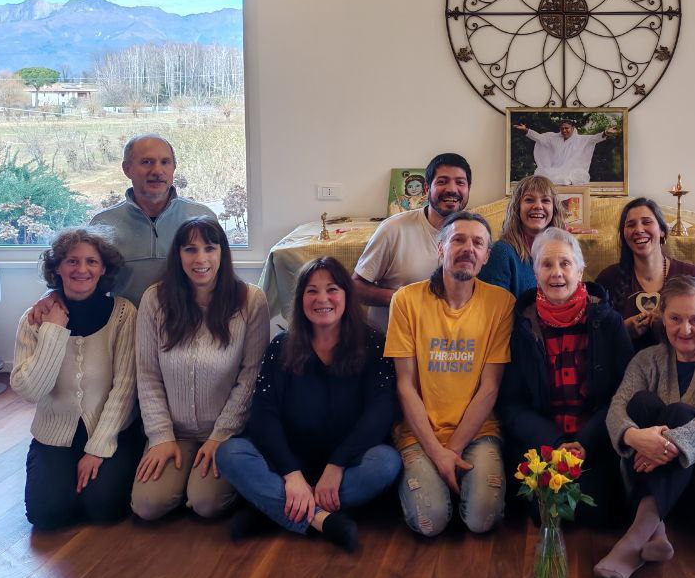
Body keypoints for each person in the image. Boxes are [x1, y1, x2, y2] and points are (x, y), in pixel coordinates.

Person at [217, 257, 401, 552]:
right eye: (312, 291)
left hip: (347, 465)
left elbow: (380, 413)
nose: (322, 299)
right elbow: (263, 415)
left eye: (332, 289)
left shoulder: (373, 343)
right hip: (289, 464)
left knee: (387, 463)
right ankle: (320, 518)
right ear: (300, 299)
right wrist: (291, 474)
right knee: (230, 453)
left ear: (347, 296)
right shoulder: (281, 347)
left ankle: (273, 510)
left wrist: (337, 464)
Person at [595, 276, 695, 578]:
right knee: (640, 403)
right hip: (670, 490)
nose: (685, 329)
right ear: (662, 318)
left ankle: (633, 540)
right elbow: (617, 408)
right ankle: (654, 529)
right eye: (675, 319)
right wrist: (634, 437)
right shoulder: (647, 359)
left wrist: (664, 444)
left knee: (679, 412)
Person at [384, 210, 515, 536]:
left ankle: (457, 483)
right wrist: (436, 451)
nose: (468, 248)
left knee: (482, 520)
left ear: (486, 256)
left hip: (478, 432)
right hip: (419, 433)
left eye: (478, 243)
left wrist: (452, 451)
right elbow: (405, 386)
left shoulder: (501, 303)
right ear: (440, 248)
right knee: (429, 522)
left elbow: (490, 388)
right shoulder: (406, 300)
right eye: (458, 240)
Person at [130, 216, 269, 521]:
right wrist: (161, 436)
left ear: (222, 253)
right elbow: (148, 374)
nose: (200, 259)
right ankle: (183, 478)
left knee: (206, 503)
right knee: (148, 505)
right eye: (190, 249)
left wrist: (221, 435)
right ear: (178, 255)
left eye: (210, 248)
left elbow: (251, 376)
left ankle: (204, 483)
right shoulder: (155, 299)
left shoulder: (250, 300)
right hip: (174, 432)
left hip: (226, 433)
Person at [497, 228, 634, 523]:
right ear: (535, 272)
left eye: (565, 263)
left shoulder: (609, 322)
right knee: (546, 510)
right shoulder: (521, 327)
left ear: (580, 270)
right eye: (546, 265)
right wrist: (555, 441)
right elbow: (510, 404)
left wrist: (585, 440)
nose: (556, 273)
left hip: (595, 440)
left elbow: (624, 393)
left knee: (596, 509)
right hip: (543, 442)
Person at [11, 228, 144, 529]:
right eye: (72, 261)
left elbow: (125, 388)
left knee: (104, 508)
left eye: (91, 262)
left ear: (103, 268)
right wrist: (54, 331)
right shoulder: (34, 320)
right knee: (47, 516)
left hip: (111, 431)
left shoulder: (124, 314)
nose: (82, 269)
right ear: (57, 267)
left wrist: (97, 449)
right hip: (55, 435)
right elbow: (31, 391)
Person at [90, 135, 216, 306]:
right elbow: (85, 282)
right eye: (147, 162)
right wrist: (56, 297)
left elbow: (221, 278)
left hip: (189, 321)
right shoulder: (103, 224)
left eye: (165, 162)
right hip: (127, 321)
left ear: (173, 168)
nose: (157, 171)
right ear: (127, 169)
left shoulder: (202, 217)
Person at [353, 152, 472, 333]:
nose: (451, 189)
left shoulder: (474, 235)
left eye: (460, 182)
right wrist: (403, 298)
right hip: (390, 341)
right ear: (427, 188)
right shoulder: (393, 229)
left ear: (468, 189)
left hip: (444, 344)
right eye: (442, 181)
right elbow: (355, 288)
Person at [595, 198, 695, 351]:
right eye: (631, 225)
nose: (639, 229)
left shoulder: (690, 275)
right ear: (624, 235)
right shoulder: (608, 279)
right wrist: (621, 330)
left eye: (647, 222)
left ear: (662, 231)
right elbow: (593, 338)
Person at [479, 175, 565, 298]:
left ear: (554, 209)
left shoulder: (564, 252)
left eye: (545, 200)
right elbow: (495, 307)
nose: (538, 206)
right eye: (529, 200)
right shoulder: (501, 252)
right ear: (517, 208)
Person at [513, 119, 618, 185]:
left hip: (570, 172)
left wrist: (606, 133)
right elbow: (539, 138)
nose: (564, 130)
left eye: (567, 128)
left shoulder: (581, 139)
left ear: (572, 128)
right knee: (542, 176)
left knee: (571, 178)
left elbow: (595, 138)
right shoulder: (554, 138)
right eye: (562, 128)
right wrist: (526, 130)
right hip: (554, 171)